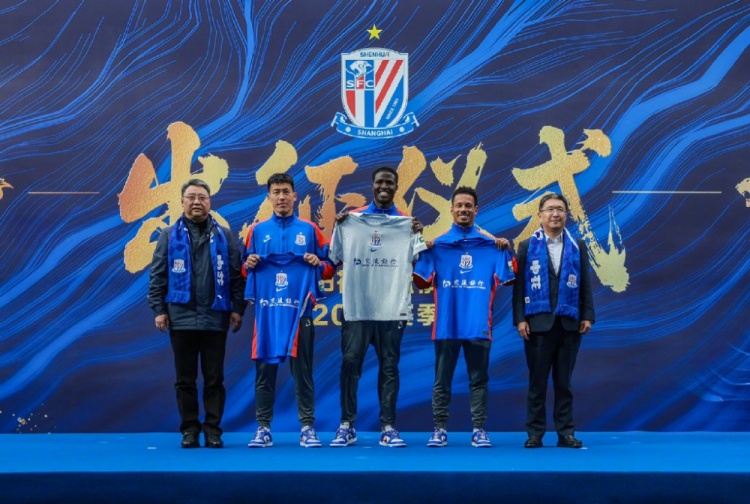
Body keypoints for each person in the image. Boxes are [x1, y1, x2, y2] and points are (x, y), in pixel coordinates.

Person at [328, 166, 426, 448]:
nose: (384, 186)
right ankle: (346, 425)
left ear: (396, 187)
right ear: (372, 185)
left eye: (389, 183)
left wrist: (419, 234)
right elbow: (333, 258)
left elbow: (420, 262)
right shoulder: (350, 220)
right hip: (357, 308)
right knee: (350, 365)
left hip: (392, 309)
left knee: (390, 368)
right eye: (380, 182)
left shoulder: (408, 223)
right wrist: (338, 226)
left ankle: (389, 427)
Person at [413, 187, 515, 448]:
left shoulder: (493, 247)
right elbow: (420, 282)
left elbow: (509, 278)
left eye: (468, 205)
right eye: (459, 205)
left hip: (478, 325)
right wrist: (422, 249)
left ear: (476, 210)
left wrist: (506, 249)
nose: (463, 209)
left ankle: (479, 429)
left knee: (478, 380)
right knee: (442, 381)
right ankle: (439, 429)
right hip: (446, 325)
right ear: (451, 210)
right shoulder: (436, 246)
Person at [148, 179, 246, 449]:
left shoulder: (224, 236)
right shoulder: (169, 235)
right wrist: (159, 310)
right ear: (182, 201)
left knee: (214, 380)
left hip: (215, 318)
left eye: (202, 197)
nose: (196, 202)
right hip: (181, 318)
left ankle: (213, 430)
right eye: (191, 197)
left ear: (209, 202)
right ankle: (189, 430)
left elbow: (236, 276)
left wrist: (237, 309)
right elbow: (158, 276)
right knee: (185, 380)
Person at [243, 173, 335, 448]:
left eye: (286, 192)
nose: (281, 197)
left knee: (303, 373)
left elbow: (330, 266)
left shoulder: (310, 230)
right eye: (276, 192)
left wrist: (318, 263)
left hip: (300, 315)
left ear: (295, 196)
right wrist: (248, 264)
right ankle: (263, 428)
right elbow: (244, 270)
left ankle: (307, 427)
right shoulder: (257, 231)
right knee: (264, 372)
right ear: (269, 197)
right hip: (268, 316)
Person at [512, 193, 595, 449]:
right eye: (550, 209)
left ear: (566, 215)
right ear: (540, 216)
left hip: (569, 324)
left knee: (564, 383)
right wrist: (520, 319)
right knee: (537, 383)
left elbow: (585, 283)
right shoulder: (527, 246)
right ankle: (535, 433)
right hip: (537, 324)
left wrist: (587, 315)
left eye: (560, 209)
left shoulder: (577, 245)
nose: (555, 214)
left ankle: (566, 433)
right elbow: (518, 287)